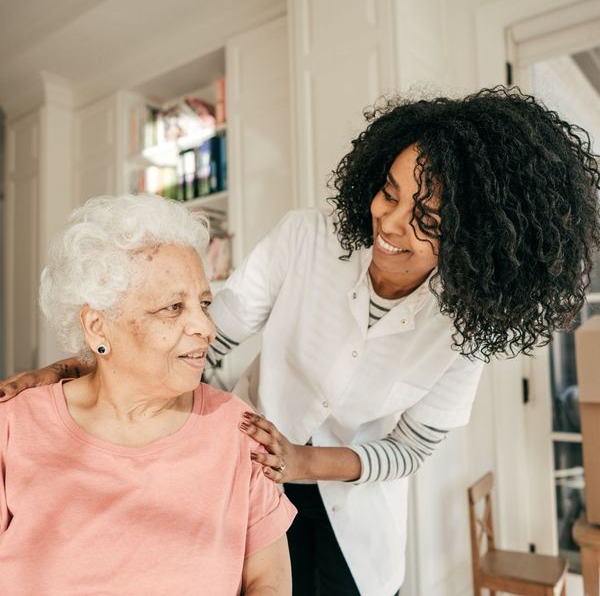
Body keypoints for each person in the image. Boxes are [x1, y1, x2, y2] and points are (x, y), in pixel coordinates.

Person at [2, 86, 600, 595]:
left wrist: (304, 462)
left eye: (428, 221)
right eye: (389, 193)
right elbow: (205, 337)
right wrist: (90, 371)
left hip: (353, 515)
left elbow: (411, 448)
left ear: (475, 239)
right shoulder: (306, 242)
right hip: (248, 473)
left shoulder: (465, 328)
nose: (390, 224)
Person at [0, 194, 296, 595]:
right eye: (173, 307)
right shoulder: (13, 426)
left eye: (204, 304)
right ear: (98, 326)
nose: (206, 329)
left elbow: (268, 580)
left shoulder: (235, 427)